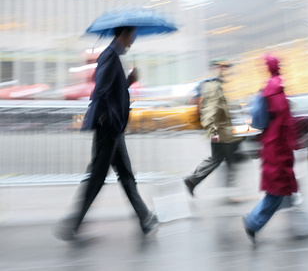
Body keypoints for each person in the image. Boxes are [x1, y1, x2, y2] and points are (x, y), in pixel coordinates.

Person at [54, 26, 158, 241]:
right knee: (98, 177)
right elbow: (101, 90)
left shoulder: (113, 57)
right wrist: (108, 118)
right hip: (109, 127)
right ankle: (73, 223)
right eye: (132, 36)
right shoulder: (109, 56)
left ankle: (145, 218)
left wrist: (128, 81)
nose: (133, 41)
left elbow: (112, 89)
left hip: (114, 128)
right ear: (124, 34)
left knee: (126, 175)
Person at [242, 53, 299, 244]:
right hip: (278, 146)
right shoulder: (278, 88)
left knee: (280, 188)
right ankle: (253, 221)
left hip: (274, 145)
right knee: (278, 190)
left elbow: (258, 122)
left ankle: (257, 219)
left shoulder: (266, 89)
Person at [183, 60, 244, 197]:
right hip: (220, 131)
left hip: (223, 130)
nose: (225, 71)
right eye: (223, 67)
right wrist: (213, 131)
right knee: (226, 158)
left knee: (218, 158)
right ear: (216, 68)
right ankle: (194, 180)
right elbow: (210, 111)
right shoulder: (213, 86)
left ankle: (192, 180)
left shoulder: (216, 85)